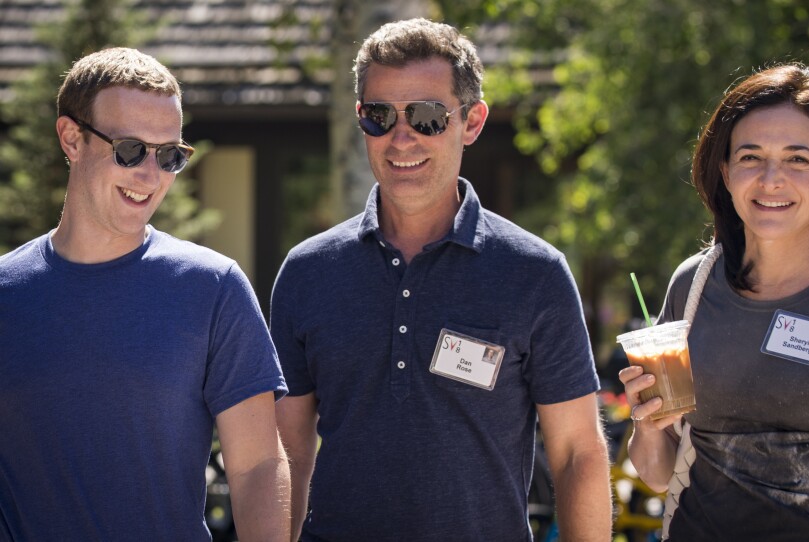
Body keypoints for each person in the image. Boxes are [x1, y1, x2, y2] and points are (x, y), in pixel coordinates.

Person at [271, 18, 611, 542]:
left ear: (471, 122)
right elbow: (287, 450)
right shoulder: (307, 272)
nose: (401, 136)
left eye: (428, 116)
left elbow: (576, 454)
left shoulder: (535, 274)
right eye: (379, 115)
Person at [0, 48, 290, 541]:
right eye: (130, 149)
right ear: (71, 138)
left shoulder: (213, 287)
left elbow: (258, 465)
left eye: (170, 156)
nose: (150, 176)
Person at [620, 63, 809, 540]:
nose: (770, 179)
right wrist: (650, 423)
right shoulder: (693, 285)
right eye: (751, 157)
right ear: (725, 171)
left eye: (798, 159)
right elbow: (658, 474)